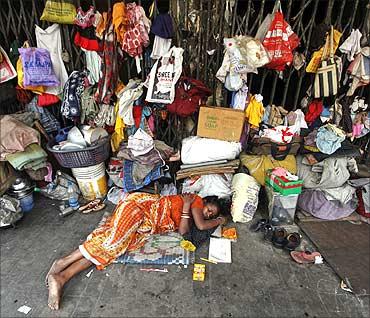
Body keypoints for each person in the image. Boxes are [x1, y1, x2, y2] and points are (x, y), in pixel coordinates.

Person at [46, 192, 229, 310]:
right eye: (210, 209)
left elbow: (182, 232)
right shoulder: (195, 199)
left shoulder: (190, 206)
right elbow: (202, 225)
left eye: (212, 215)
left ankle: (62, 273)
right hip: (142, 207)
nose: (208, 214)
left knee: (114, 247)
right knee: (113, 242)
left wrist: (187, 208)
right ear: (204, 201)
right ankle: (62, 267)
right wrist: (219, 221)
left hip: (147, 224)